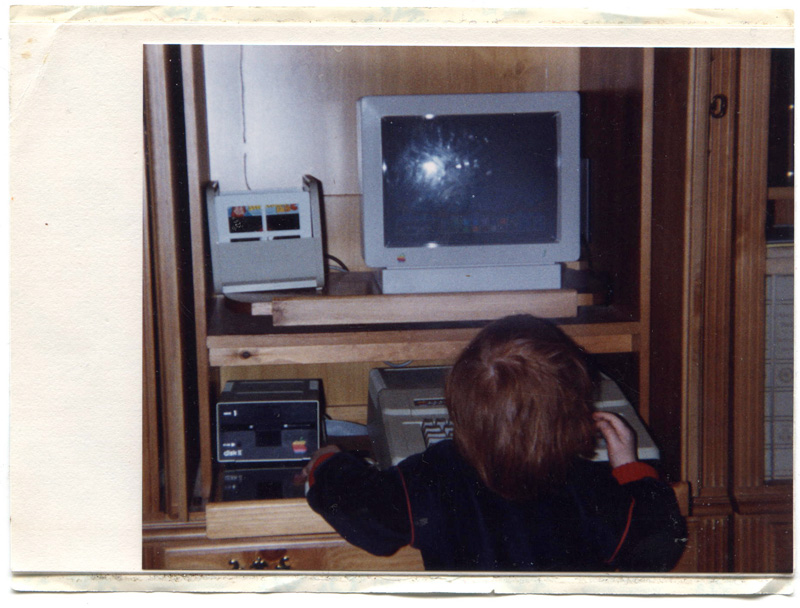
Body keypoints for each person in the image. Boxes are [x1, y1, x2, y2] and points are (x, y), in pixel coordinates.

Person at [302, 314, 687, 571]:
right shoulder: (592, 488)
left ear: (458, 406)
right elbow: (659, 542)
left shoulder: (433, 477)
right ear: (572, 413)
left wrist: (326, 463)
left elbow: (362, 509)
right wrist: (630, 468)